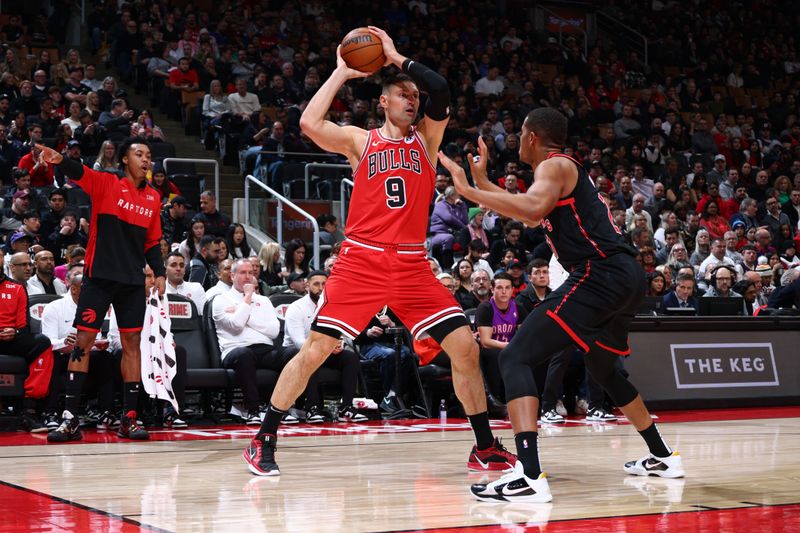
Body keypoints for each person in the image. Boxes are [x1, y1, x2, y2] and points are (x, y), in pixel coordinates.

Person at [244, 27, 515, 477]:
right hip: (362, 260)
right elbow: (310, 124)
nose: (412, 100)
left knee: (464, 347)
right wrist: (339, 71)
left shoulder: (427, 142)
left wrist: (395, 57)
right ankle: (264, 435)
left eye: (415, 95)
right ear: (384, 102)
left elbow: (442, 89)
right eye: (402, 95)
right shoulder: (361, 140)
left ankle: (484, 446)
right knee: (316, 349)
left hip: (411, 264)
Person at [439, 107, 684, 503]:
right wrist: (483, 182)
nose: (517, 140)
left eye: (519, 132)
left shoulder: (552, 166)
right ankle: (662, 455)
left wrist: (469, 191)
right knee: (602, 366)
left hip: (598, 274)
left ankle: (529, 476)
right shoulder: (559, 172)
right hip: (627, 276)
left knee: (515, 357)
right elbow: (532, 209)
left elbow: (532, 211)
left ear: (532, 137)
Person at [37, 139, 166, 443]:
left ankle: (129, 418)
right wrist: (59, 160)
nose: (146, 160)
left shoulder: (153, 197)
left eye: (149, 156)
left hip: (132, 282)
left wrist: (158, 272)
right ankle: (70, 419)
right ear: (124, 160)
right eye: (139, 154)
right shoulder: (106, 183)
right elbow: (78, 171)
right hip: (99, 277)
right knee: (84, 340)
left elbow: (151, 241)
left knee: (132, 343)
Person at [213, 259, 294, 424]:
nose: (248, 276)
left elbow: (273, 331)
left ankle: (285, 407)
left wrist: (246, 316)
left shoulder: (264, 300)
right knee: (245, 354)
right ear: (232, 275)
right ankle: (253, 409)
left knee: (293, 353)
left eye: (251, 272)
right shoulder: (221, 299)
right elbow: (236, 326)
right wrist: (248, 297)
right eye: (243, 273)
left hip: (264, 349)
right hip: (235, 350)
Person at [283, 270, 365, 422]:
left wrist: (339, 343)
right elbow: (298, 341)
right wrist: (325, 347)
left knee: (350, 357)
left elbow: (345, 335)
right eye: (316, 284)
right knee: (311, 355)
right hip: (297, 352)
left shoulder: (334, 306)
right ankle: (312, 408)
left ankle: (346, 407)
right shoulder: (296, 307)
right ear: (307, 286)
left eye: (324, 284)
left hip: (326, 351)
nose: (320, 288)